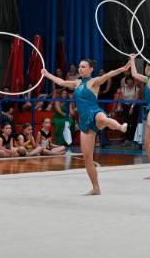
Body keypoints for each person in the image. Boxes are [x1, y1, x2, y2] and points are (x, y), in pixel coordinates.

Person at [41, 58, 130, 195]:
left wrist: (122, 69)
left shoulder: (94, 82)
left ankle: (120, 127)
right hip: (83, 121)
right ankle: (96, 188)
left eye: (83, 67)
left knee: (103, 118)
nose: (80, 69)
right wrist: (47, 74)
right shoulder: (77, 83)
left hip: (94, 112)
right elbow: (62, 82)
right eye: (79, 66)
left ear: (90, 69)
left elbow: (109, 75)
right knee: (87, 158)